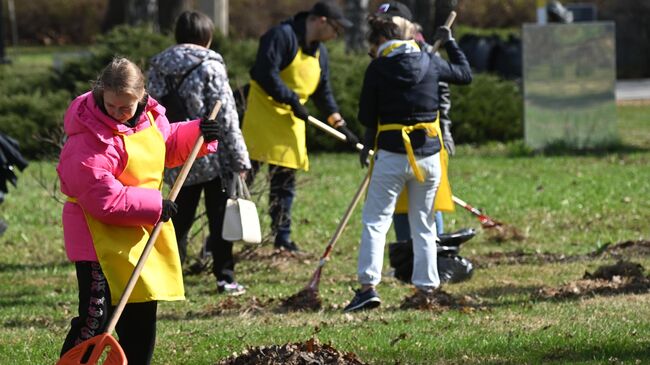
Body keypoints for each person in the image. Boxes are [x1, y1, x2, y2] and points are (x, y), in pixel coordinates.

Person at [57, 57, 220, 364]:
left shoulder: (151, 117)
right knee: (97, 318)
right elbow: (101, 197)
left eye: (126, 108)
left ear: (142, 96)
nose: (118, 114)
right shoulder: (86, 137)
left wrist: (198, 132)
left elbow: (165, 146)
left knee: (141, 314)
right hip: (96, 239)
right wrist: (155, 205)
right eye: (111, 106)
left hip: (136, 233)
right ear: (101, 94)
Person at [343, 15, 472, 312]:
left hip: (391, 154)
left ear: (379, 42)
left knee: (376, 221)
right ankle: (427, 289)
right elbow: (465, 74)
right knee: (424, 224)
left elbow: (365, 115)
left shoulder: (377, 67)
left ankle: (368, 288)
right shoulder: (431, 60)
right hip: (428, 157)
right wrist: (450, 43)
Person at [147, 11, 251, 295]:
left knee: (176, 219)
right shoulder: (211, 65)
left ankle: (170, 276)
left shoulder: (157, 66)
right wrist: (240, 158)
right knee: (219, 218)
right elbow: (227, 114)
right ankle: (224, 277)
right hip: (211, 153)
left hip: (174, 151)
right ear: (207, 36)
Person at [241, 0, 358, 252]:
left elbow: (322, 93)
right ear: (321, 20)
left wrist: (340, 124)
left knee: (284, 184)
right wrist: (291, 98)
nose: (336, 35)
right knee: (244, 181)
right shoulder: (281, 36)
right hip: (260, 118)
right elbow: (264, 72)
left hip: (290, 122)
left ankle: (282, 238)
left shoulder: (320, 52)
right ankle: (221, 239)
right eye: (336, 29)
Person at [375, 1, 456, 242]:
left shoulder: (428, 52)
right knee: (399, 199)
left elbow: (443, 95)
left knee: (429, 201)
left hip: (426, 136)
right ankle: (406, 253)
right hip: (391, 137)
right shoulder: (381, 53)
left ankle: (436, 251)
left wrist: (446, 130)